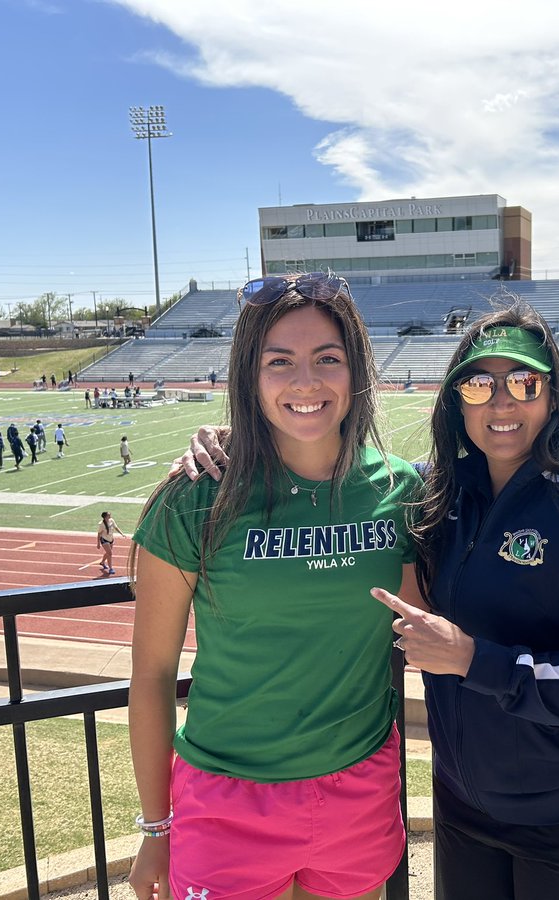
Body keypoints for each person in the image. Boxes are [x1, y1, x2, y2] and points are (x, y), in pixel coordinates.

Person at [127, 272, 422, 900]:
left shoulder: (401, 490)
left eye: (328, 359)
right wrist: (156, 827)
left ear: (356, 370)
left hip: (360, 788)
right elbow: (152, 675)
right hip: (226, 799)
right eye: (279, 361)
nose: (306, 381)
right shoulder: (197, 497)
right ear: (249, 375)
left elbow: (431, 617)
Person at [374, 304, 559, 899]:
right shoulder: (439, 494)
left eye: (524, 383)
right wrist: (237, 444)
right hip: (462, 804)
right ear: (457, 402)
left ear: (553, 396)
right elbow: (346, 472)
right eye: (478, 385)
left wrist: (474, 660)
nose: (501, 403)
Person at [96, 510, 125, 575]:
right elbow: (99, 534)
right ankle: (111, 568)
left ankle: (102, 562)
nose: (110, 515)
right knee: (110, 553)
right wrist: (98, 543)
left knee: (108, 553)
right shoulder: (101, 524)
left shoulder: (112, 520)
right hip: (104, 540)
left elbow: (116, 527)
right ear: (105, 517)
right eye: (108, 515)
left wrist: (122, 534)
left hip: (111, 539)